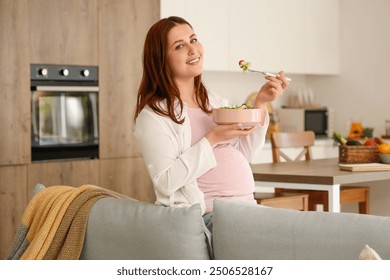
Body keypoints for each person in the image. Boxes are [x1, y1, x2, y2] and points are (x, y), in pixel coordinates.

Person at [133, 16, 288, 231]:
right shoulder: (154, 116)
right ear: (161, 59)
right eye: (179, 46)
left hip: (247, 206)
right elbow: (165, 181)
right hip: (211, 215)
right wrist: (212, 138)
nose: (192, 49)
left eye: (193, 40)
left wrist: (260, 103)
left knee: (306, 232)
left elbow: (244, 154)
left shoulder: (215, 103)